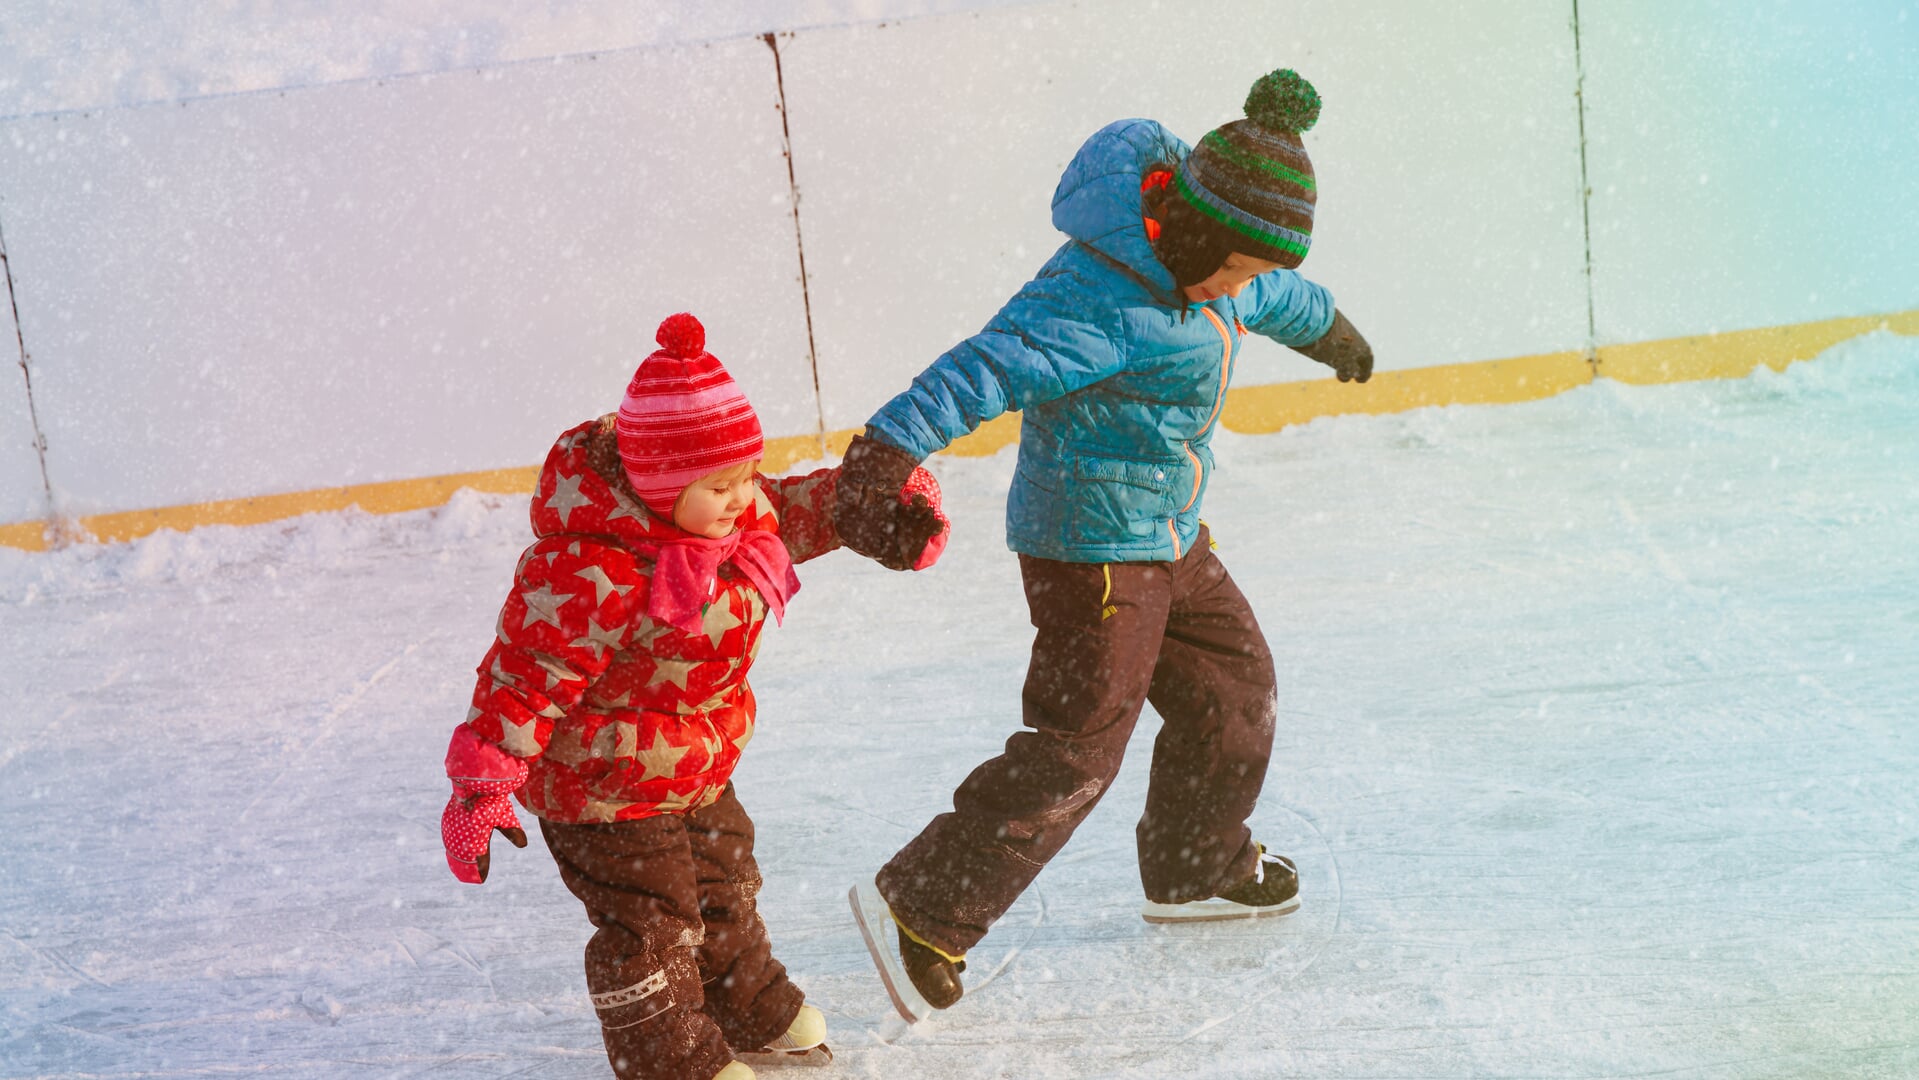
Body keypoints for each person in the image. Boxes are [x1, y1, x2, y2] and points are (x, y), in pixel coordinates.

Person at [833, 69, 1376, 1021]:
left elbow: (1277, 298)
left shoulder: (1218, 276)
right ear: (1198, 231)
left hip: (1169, 532)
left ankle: (1194, 866)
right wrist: (883, 455)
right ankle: (924, 904)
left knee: (1233, 690)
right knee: (1081, 742)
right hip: (1089, 547)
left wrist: (1332, 332)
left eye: (1255, 271)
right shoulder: (1096, 297)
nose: (1243, 289)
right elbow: (983, 367)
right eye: (1238, 268)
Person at [437, 313, 948, 1079]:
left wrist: (882, 505)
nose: (743, 497)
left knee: (722, 882)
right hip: (599, 783)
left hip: (693, 762)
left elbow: (802, 506)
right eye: (719, 485)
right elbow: (523, 676)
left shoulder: (740, 517)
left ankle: (744, 1003)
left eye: (746, 474)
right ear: (657, 484)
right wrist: (481, 784)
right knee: (650, 920)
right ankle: (667, 1057)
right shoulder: (589, 572)